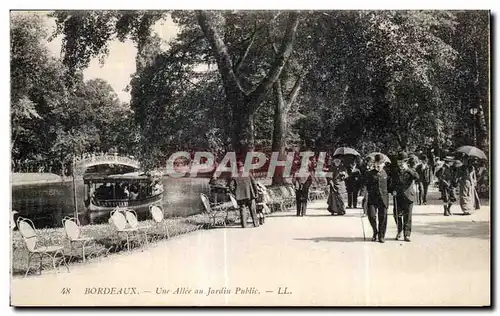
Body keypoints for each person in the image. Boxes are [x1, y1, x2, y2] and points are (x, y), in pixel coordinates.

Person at [389, 152, 419, 242]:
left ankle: (407, 234)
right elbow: (392, 183)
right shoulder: (394, 171)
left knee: (408, 216)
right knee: (396, 215)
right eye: (398, 163)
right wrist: (392, 190)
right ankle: (399, 231)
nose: (400, 165)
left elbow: (417, 177)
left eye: (402, 163)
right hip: (398, 196)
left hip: (409, 196)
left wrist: (408, 170)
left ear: (406, 162)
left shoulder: (411, 170)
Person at [364, 154, 389, 243]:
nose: (379, 165)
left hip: (383, 198)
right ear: (374, 163)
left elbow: (390, 185)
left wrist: (394, 191)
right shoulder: (369, 173)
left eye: (381, 163)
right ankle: (375, 231)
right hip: (372, 198)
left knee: (383, 218)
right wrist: (364, 194)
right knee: (372, 216)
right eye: (377, 163)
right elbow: (365, 185)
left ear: (384, 164)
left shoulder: (386, 173)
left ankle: (381, 235)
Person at [228, 161, 260, 228]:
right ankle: (256, 224)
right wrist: (256, 193)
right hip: (250, 195)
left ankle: (244, 225)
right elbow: (254, 184)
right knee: (253, 210)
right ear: (243, 167)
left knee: (243, 210)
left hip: (240, 196)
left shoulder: (235, 176)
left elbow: (230, 187)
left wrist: (235, 193)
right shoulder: (248, 174)